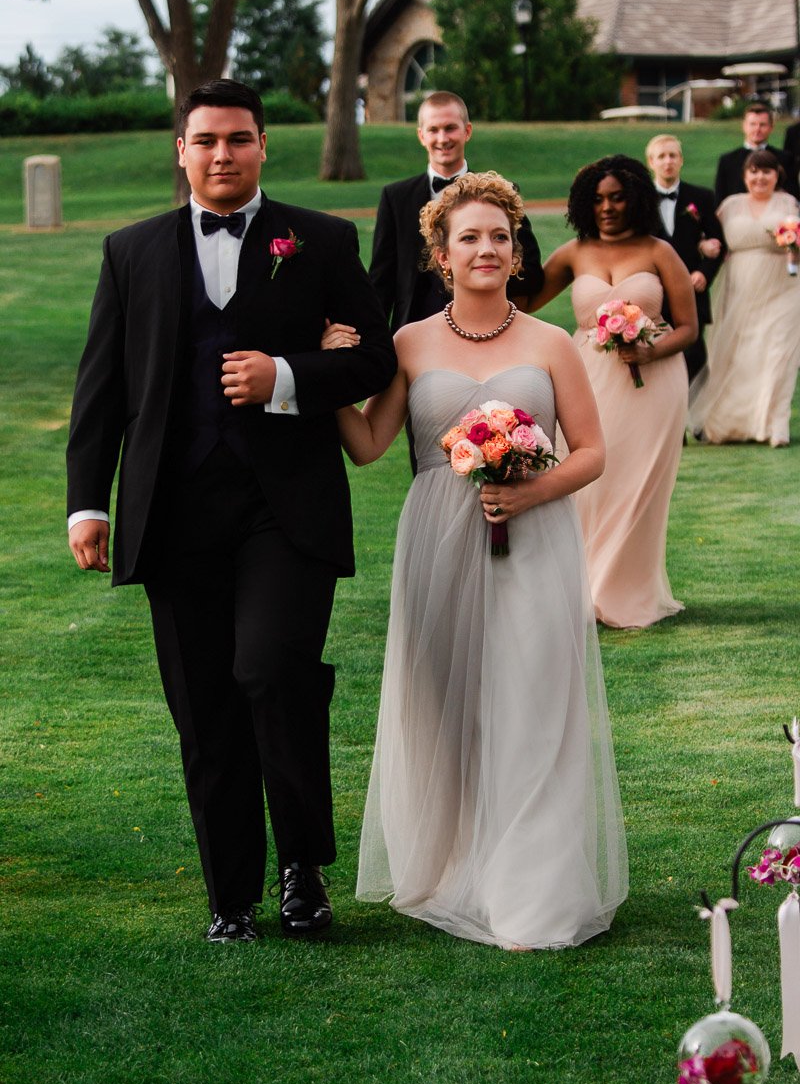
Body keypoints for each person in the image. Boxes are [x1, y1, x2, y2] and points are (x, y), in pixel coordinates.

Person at [66, 80, 397, 943]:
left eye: (239, 139)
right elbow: (100, 393)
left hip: (283, 510)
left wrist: (287, 378)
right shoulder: (129, 251)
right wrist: (85, 507)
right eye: (206, 139)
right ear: (181, 150)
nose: (223, 154)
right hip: (172, 514)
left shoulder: (320, 240)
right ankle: (230, 897)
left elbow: (375, 358)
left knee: (271, 672)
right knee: (205, 706)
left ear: (262, 147)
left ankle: (302, 871)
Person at [323, 172, 628, 950]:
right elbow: (367, 447)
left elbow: (591, 452)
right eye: (471, 237)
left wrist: (530, 494)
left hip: (535, 538)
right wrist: (326, 378)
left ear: (516, 248)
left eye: (501, 235)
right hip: (437, 541)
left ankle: (534, 891)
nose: (488, 248)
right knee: (446, 712)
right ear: (440, 254)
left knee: (532, 702)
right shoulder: (409, 342)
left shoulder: (551, 343)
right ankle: (457, 862)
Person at [532, 156, 698, 630]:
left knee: (636, 484)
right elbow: (523, 301)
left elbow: (688, 327)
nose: (607, 207)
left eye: (617, 197)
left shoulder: (659, 252)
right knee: (588, 483)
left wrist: (651, 351)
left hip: (655, 383)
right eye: (598, 199)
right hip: (587, 380)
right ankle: (579, 587)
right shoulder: (573, 253)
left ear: (636, 198)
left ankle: (620, 593)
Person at [363, 91, 544, 473]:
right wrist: (374, 347)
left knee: (499, 439)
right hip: (422, 344)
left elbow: (532, 272)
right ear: (421, 135)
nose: (443, 137)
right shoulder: (395, 197)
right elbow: (380, 281)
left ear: (467, 131)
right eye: (434, 129)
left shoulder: (501, 196)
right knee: (431, 454)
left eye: (450, 128)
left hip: (491, 339)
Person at [688, 150, 800, 448]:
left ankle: (775, 425)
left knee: (778, 355)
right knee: (738, 356)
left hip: (784, 290)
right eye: (754, 172)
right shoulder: (729, 206)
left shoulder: (788, 203)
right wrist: (705, 245)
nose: (760, 177)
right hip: (740, 290)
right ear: (745, 175)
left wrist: (794, 245)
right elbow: (707, 237)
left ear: (777, 175)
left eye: (767, 172)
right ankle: (730, 425)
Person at [646, 134, 724, 381]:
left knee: (695, 357)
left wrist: (704, 272)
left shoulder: (702, 197)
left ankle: (691, 412)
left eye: (673, 155)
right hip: (654, 293)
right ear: (651, 162)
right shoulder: (639, 200)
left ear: (681, 160)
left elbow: (719, 243)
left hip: (692, 291)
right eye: (661, 156)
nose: (667, 161)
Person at [714, 103, 797, 204]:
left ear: (771, 127)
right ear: (744, 126)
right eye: (753, 124)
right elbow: (720, 199)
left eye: (762, 124)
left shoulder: (785, 159)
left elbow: (793, 196)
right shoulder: (727, 160)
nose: (757, 129)